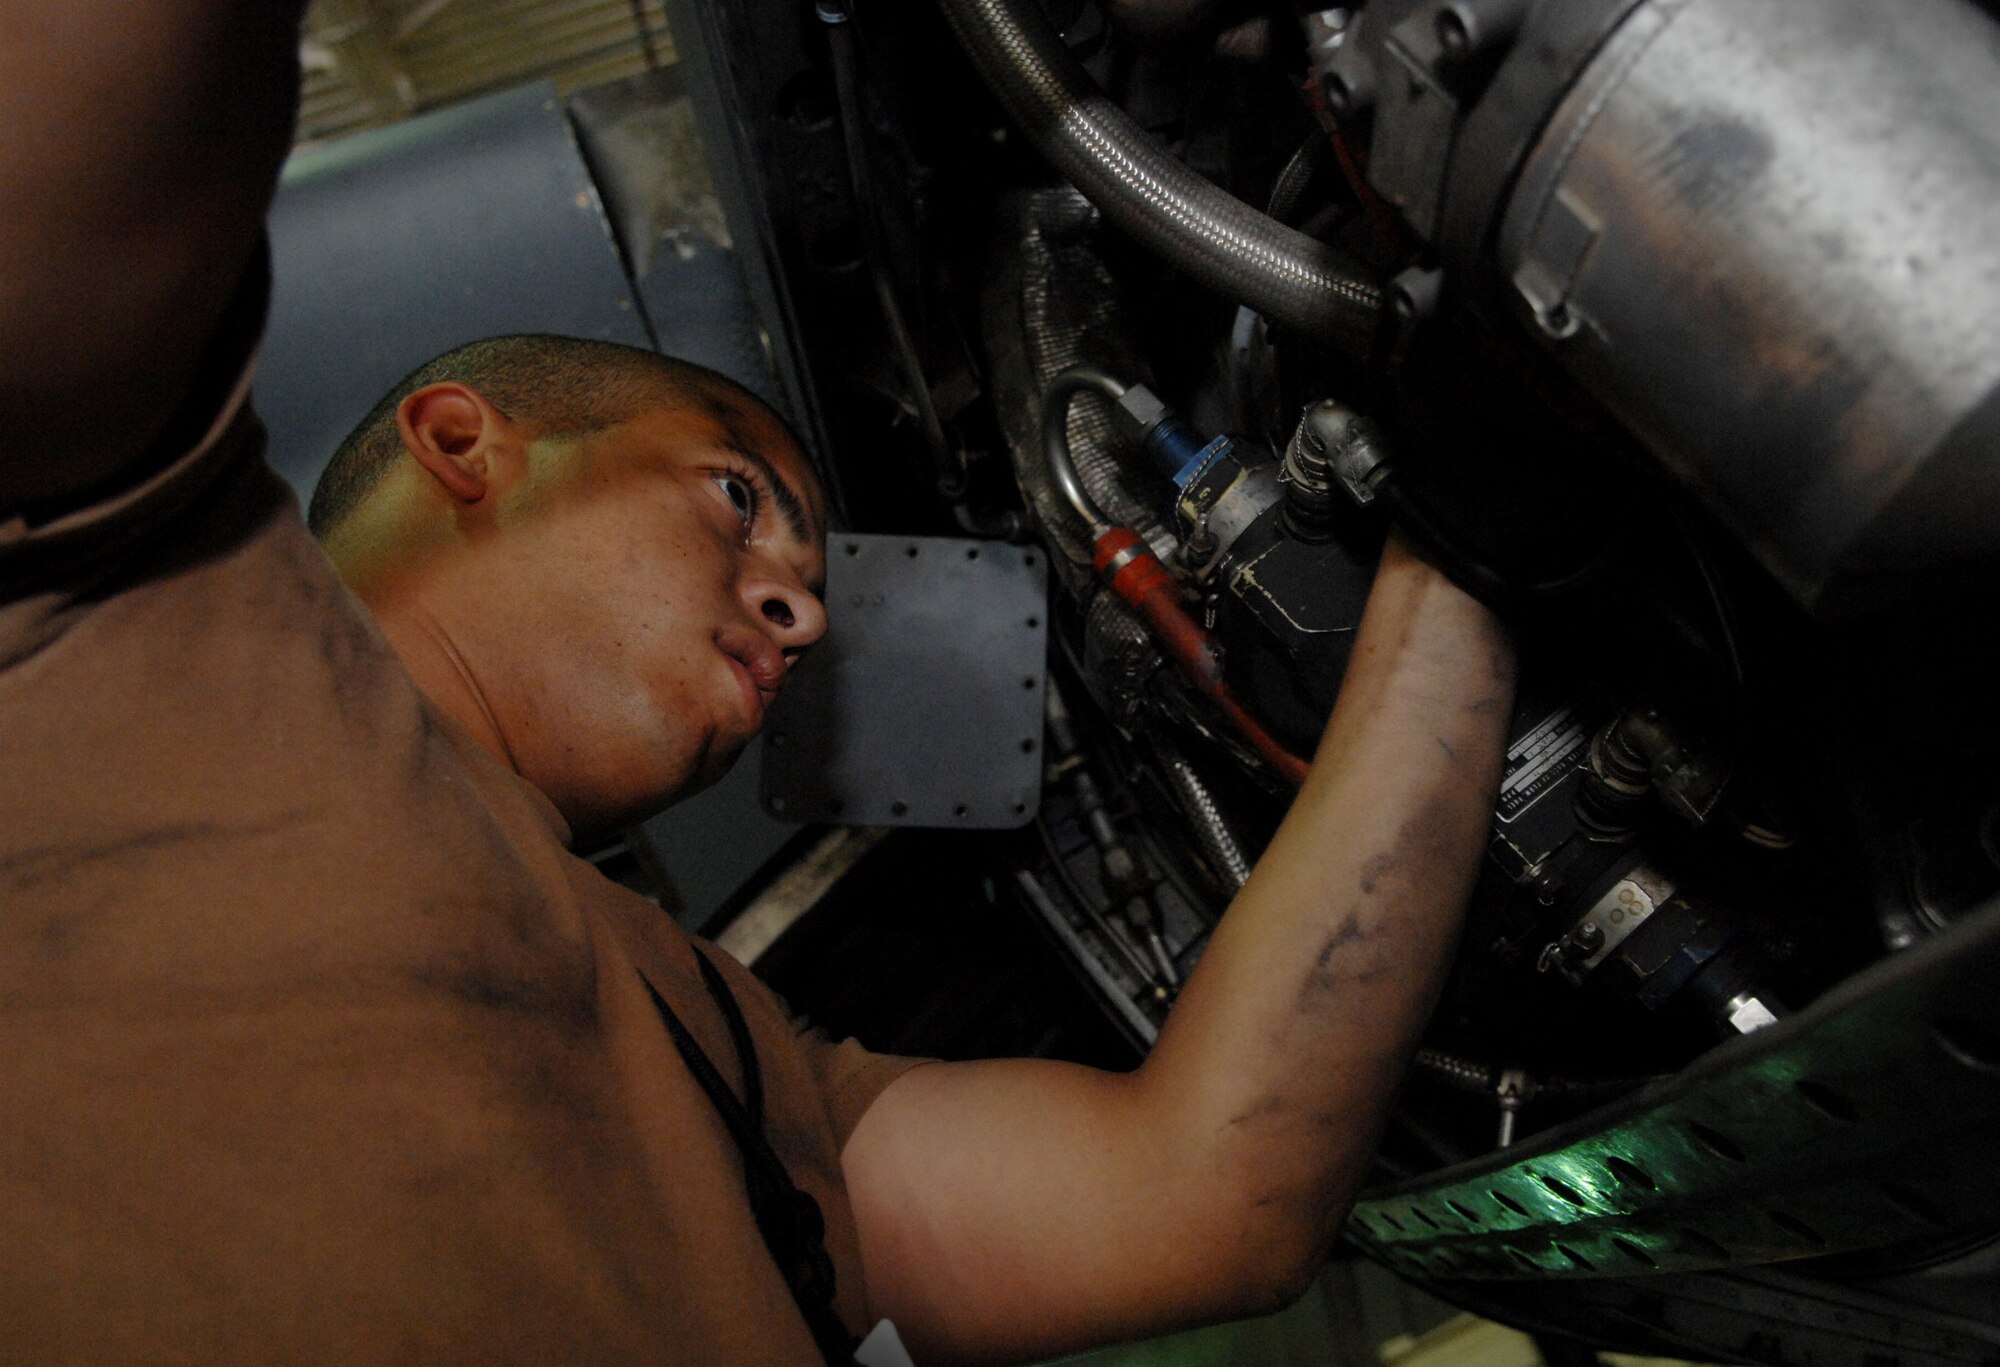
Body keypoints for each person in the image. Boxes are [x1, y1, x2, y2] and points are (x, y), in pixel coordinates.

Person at [0, 4, 1515, 1364]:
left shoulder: (726, 1060)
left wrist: (1473, 540)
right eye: (736, 501)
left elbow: (1204, 1201)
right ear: (466, 446)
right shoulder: (145, 661)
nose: (798, 613)